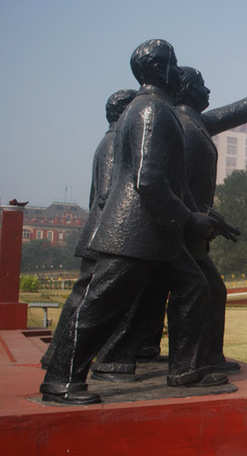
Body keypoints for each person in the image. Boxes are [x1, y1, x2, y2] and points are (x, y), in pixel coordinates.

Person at [40, 39, 226, 405]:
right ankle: (62, 379)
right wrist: (189, 220)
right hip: (136, 229)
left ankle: (186, 371)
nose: (178, 70)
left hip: (155, 230)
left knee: (193, 286)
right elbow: (150, 180)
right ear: (158, 69)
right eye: (173, 63)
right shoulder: (150, 111)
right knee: (98, 303)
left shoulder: (153, 109)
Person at [91, 66, 247, 379]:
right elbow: (170, 181)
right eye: (202, 85)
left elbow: (225, 116)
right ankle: (182, 364)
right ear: (186, 90)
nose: (209, 91)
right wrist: (194, 217)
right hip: (176, 223)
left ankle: (192, 359)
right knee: (183, 289)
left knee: (179, 290)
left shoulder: (191, 122)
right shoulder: (180, 125)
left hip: (185, 221)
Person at [40, 89, 137, 370]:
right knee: (90, 301)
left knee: (85, 299)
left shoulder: (110, 142)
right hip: (104, 234)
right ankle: (62, 361)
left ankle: (57, 356)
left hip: (99, 233)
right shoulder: (112, 144)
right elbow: (107, 194)